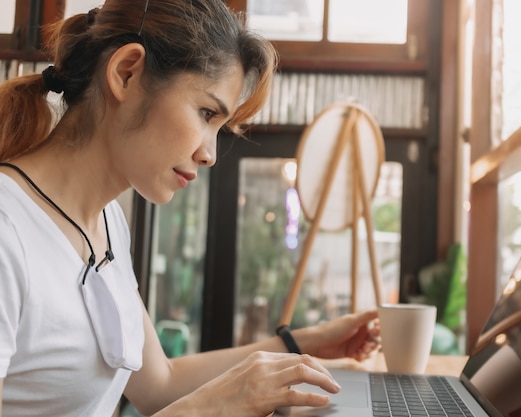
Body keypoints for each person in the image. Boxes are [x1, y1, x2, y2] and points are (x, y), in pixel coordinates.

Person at [0, 1, 380, 416]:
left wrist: (303, 344)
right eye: (205, 112)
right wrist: (203, 411)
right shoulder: (8, 231)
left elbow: (160, 384)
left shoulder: (107, 224)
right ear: (126, 72)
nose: (210, 154)